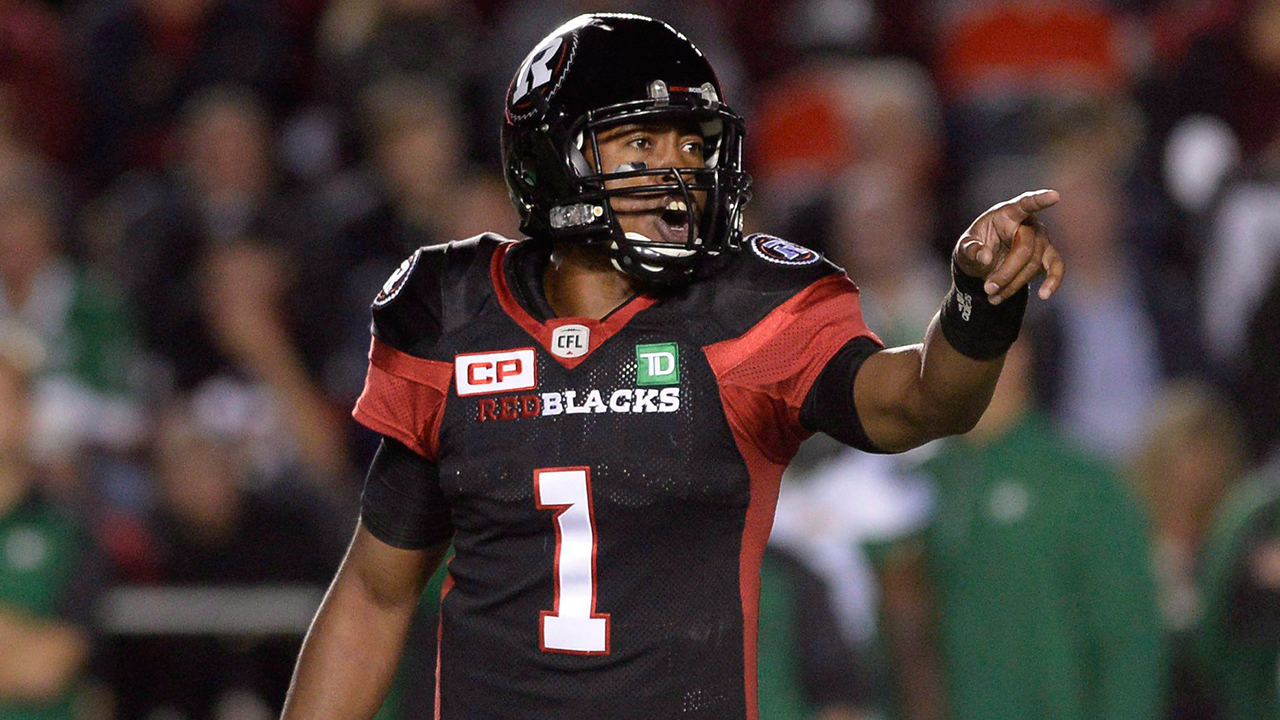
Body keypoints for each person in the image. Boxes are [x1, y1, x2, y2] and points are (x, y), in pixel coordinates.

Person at [281, 14, 1065, 720]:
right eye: (641, 144)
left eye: (693, 145)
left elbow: (924, 402)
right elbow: (376, 594)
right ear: (553, 156)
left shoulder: (747, 305)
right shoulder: (452, 314)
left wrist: (980, 302)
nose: (677, 172)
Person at [877, 339, 1166, 720]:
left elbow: (1129, 640)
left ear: (1020, 353)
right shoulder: (909, 484)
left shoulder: (1079, 481)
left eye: (978, 333)